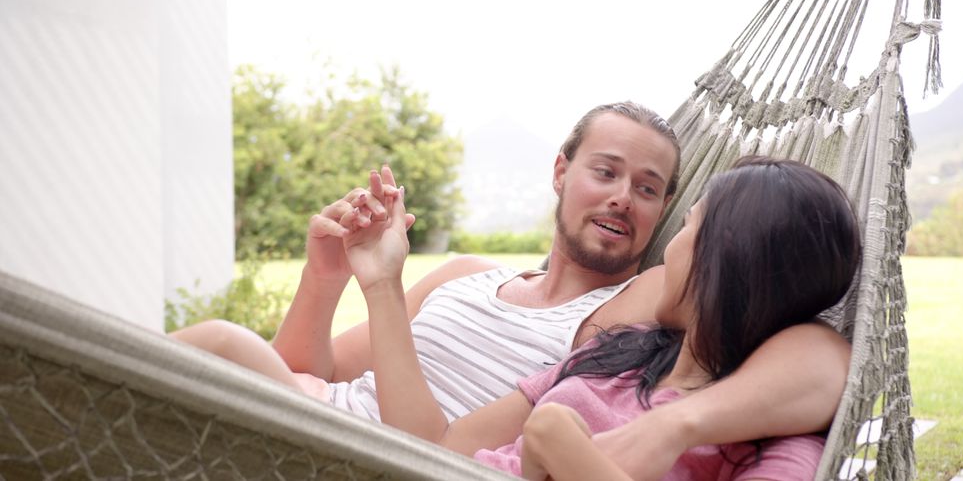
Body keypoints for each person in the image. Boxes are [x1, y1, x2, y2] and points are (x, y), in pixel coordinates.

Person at [171, 102, 852, 478]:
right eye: (606, 172)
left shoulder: (637, 306)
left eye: (648, 189)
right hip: (312, 410)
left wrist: (382, 287)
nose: (623, 197)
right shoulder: (464, 275)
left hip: (376, 455)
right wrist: (325, 279)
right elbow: (307, 370)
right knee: (222, 349)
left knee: (218, 343)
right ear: (560, 172)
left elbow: (820, 355)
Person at [349, 156, 862, 480]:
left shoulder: (776, 443)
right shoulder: (618, 352)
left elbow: (829, 358)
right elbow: (441, 449)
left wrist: (565, 448)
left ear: (722, 256)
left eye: (687, 227)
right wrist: (381, 283)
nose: (669, 250)